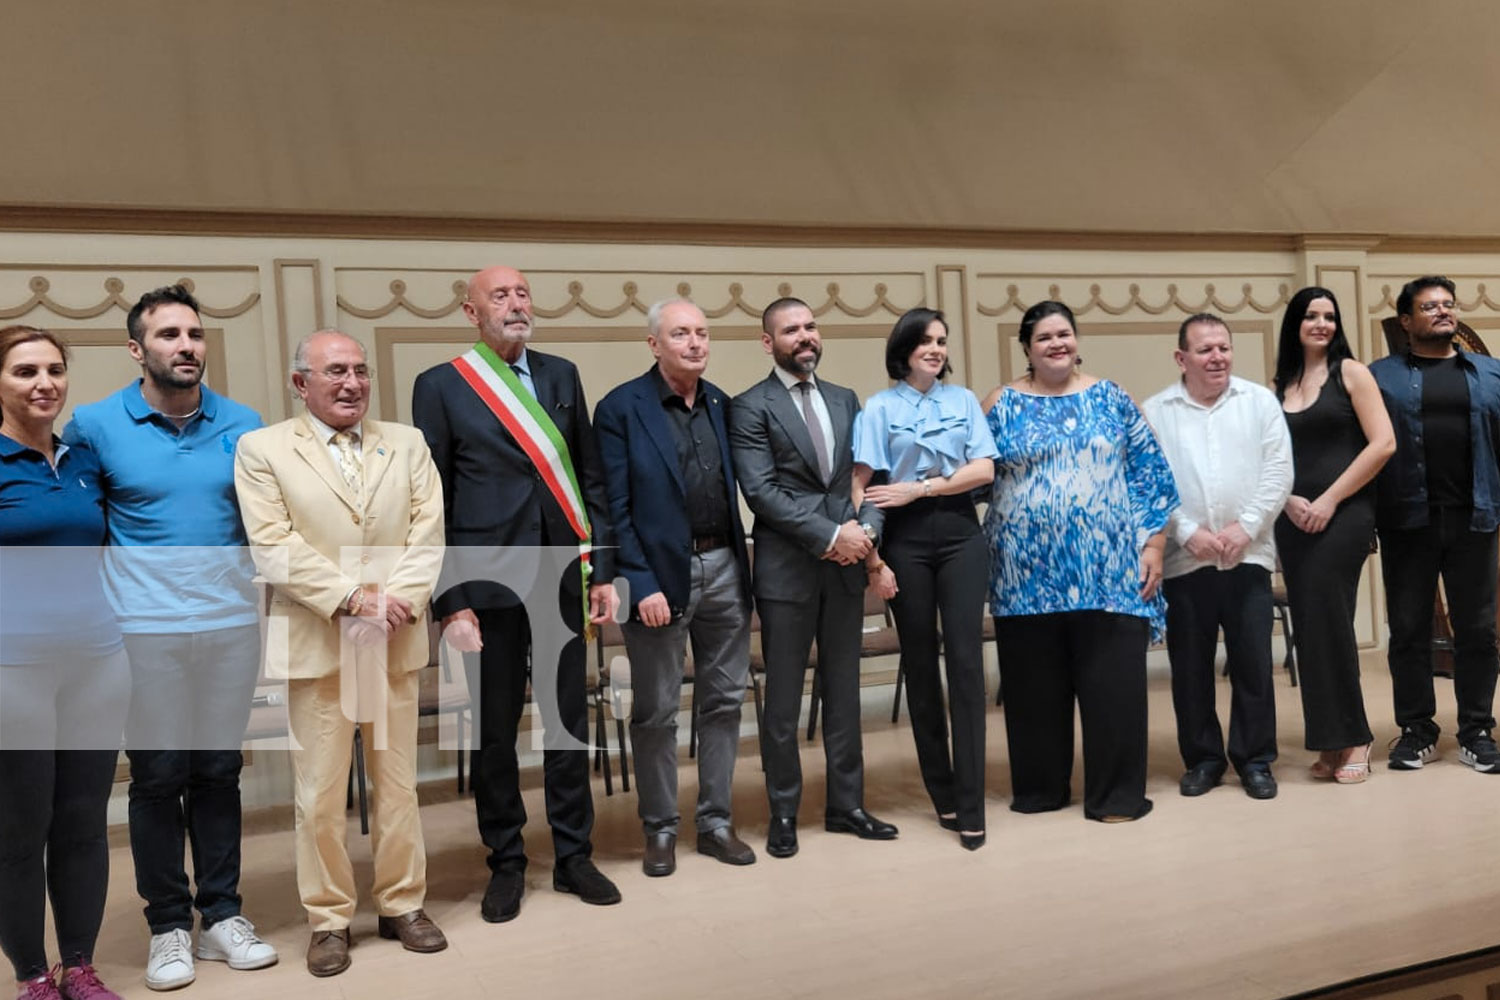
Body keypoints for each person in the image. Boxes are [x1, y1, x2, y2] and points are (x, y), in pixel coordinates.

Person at [62, 285, 275, 990]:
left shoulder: (244, 424)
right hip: (141, 635)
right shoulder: (94, 426)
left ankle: (221, 917)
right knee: (156, 780)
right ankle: (168, 928)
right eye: (168, 336)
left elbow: (266, 528)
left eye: (195, 334)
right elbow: (75, 529)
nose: (186, 346)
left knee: (217, 773)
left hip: (228, 631)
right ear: (136, 350)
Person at [411, 266, 621, 923]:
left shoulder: (561, 375)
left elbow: (590, 477)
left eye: (522, 293)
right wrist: (450, 600)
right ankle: (505, 862)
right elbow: (431, 500)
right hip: (485, 581)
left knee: (566, 723)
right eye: (499, 296)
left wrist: (604, 570)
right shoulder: (441, 386)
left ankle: (573, 856)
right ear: (471, 312)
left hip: (560, 574)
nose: (515, 304)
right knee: (495, 732)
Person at [235, 331, 447, 976]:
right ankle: (328, 919)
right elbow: (273, 545)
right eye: (335, 372)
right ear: (302, 383)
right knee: (320, 794)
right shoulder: (262, 448)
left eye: (359, 371)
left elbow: (428, 531)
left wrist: (395, 603)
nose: (352, 383)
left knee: (398, 786)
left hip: (394, 637)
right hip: (318, 642)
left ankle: (401, 904)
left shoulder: (405, 442)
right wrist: (356, 598)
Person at [983, 300, 1177, 823]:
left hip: (1109, 572)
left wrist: (1153, 545)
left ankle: (1117, 797)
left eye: (1064, 334)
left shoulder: (1111, 397)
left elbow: (1151, 477)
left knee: (1112, 689)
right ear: (1026, 347)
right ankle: (1041, 790)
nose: (1056, 344)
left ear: (1076, 339)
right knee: (1033, 692)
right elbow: (973, 474)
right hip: (1023, 574)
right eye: (1044, 337)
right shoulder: (1000, 403)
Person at [731, 297, 899, 859]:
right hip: (788, 574)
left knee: (844, 693)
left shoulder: (845, 399)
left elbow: (866, 478)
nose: (804, 337)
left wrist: (867, 534)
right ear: (768, 342)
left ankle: (847, 806)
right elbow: (763, 493)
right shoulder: (750, 406)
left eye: (810, 326)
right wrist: (833, 537)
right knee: (781, 702)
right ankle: (783, 811)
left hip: (849, 570)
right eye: (790, 330)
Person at [595, 299, 757, 876]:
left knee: (724, 703)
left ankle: (715, 823)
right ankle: (660, 828)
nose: (695, 343)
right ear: (654, 344)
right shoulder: (621, 408)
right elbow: (613, 506)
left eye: (702, 333)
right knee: (657, 711)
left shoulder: (721, 404)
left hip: (726, 570)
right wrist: (638, 581)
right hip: (659, 579)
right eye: (681, 334)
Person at [0, 325, 131, 1000]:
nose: (44, 382)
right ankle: (31, 976)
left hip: (96, 663)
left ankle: (78, 965)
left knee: (84, 821)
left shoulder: (82, 458)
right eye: (25, 371)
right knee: (21, 827)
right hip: (12, 671)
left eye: (54, 369)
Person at [852, 307, 997, 849]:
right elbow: (861, 485)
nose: (936, 349)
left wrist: (921, 488)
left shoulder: (961, 402)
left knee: (965, 663)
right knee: (919, 663)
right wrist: (873, 559)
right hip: (904, 543)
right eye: (925, 341)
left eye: (942, 340)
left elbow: (983, 470)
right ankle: (944, 793)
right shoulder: (878, 408)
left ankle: (973, 798)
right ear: (904, 348)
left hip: (961, 534)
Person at [1143, 313, 1293, 800]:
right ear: (1181, 358)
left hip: (1247, 556)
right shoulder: (1156, 411)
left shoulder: (1259, 402)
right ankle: (1203, 759)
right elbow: (1151, 483)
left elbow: (1278, 473)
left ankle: (1254, 760)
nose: (1217, 357)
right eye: (1205, 350)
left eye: (1224, 348)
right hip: (1188, 561)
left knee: (1253, 662)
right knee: (1190, 667)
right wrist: (1187, 532)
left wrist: (1244, 528)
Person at [1371, 276, 1500, 774]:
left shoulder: (1491, 374)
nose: (1443, 312)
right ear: (1406, 321)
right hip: (1407, 520)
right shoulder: (1378, 377)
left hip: (1476, 519)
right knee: (1407, 630)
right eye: (1430, 307)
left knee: (1478, 631)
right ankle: (1417, 731)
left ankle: (1476, 731)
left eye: (1448, 305)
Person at [1272, 287, 1394, 783]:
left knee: (1331, 624)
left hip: (1342, 514)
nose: (1321, 323)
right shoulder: (1281, 383)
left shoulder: (1352, 373)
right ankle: (1329, 741)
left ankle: (1357, 737)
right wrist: (1287, 500)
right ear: (1295, 324)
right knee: (1311, 628)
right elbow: (1272, 458)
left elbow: (1383, 443)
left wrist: (1329, 500)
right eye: (1311, 316)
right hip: (1294, 517)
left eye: (1329, 316)